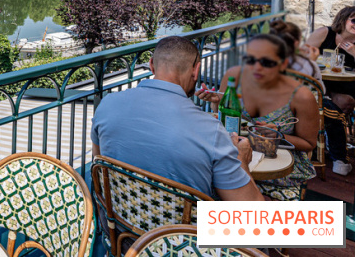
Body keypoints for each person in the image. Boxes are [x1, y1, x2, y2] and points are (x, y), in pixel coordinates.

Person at [92, 36, 263, 201]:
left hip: (120, 224)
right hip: (186, 230)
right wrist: (240, 159)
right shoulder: (211, 129)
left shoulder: (107, 105)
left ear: (151, 65)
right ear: (196, 70)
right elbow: (253, 210)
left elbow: (99, 165)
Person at [199, 34, 319, 201]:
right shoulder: (234, 77)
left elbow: (309, 144)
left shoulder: (302, 97)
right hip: (235, 158)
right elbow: (222, 114)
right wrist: (215, 102)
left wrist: (280, 136)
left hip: (277, 170)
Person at [305, 7, 355, 176]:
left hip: (345, 87)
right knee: (330, 107)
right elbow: (301, 58)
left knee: (345, 102)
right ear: (343, 19)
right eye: (353, 20)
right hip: (318, 84)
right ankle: (339, 156)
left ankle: (330, 144)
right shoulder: (324, 33)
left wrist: (354, 53)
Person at [270, 20, 324, 92]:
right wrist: (312, 62)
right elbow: (321, 90)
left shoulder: (262, 61)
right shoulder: (306, 65)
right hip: (297, 102)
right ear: (296, 43)